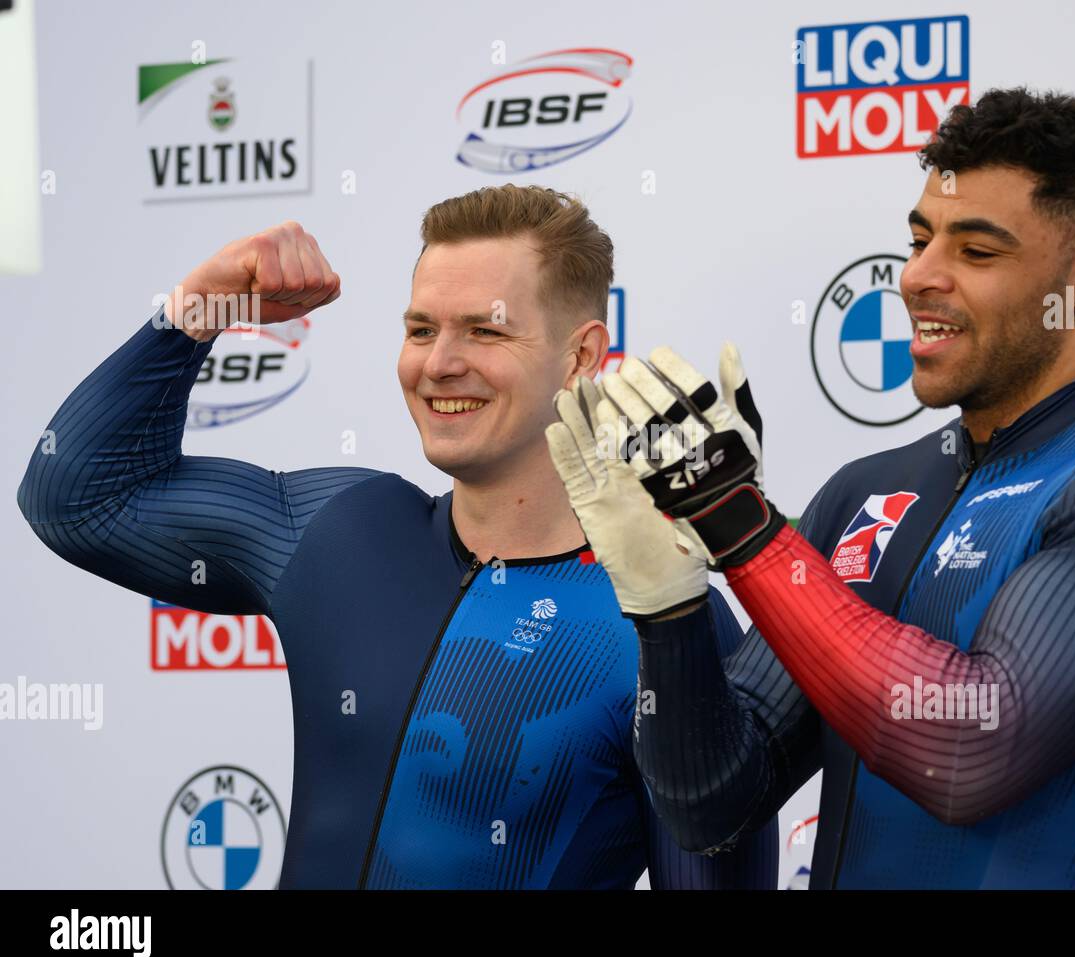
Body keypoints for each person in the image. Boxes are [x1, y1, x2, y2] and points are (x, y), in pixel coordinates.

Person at [546, 89, 1075, 888]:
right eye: (920, 240)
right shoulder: (868, 489)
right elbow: (712, 805)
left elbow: (972, 749)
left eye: (976, 251)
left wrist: (739, 524)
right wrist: (668, 610)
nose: (919, 276)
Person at [16, 184, 775, 889]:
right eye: (421, 329)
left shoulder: (667, 624)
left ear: (581, 356)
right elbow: (76, 499)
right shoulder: (344, 528)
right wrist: (201, 307)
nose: (439, 364)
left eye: (485, 329)